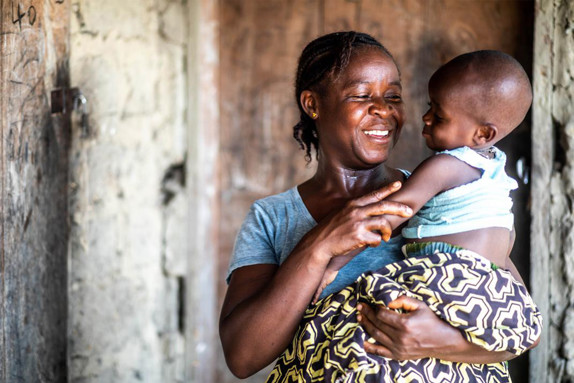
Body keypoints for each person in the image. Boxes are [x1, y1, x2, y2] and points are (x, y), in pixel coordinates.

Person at [219, 31, 534, 380]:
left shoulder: (452, 200)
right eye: (361, 95)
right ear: (312, 104)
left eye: (393, 96)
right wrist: (321, 244)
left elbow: (519, 324)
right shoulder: (271, 218)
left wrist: (438, 341)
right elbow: (242, 357)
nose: (383, 109)